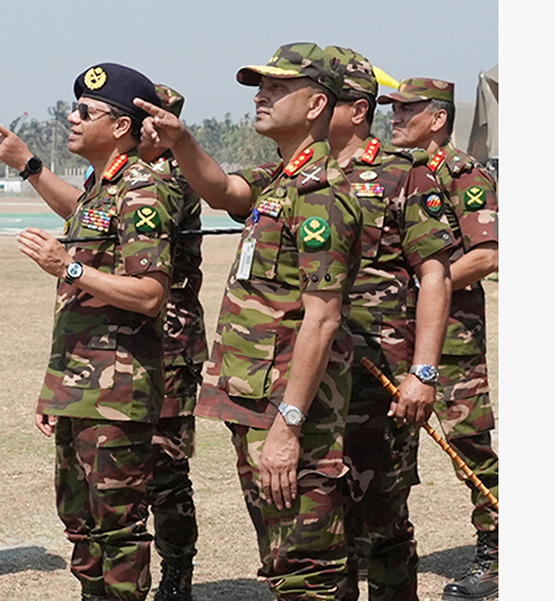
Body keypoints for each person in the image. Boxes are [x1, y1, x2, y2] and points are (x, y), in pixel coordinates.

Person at [136, 43, 363, 600]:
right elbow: (221, 191)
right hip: (254, 399)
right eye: (261, 86)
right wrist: (181, 140)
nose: (262, 96)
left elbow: (322, 318)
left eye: (277, 87)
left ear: (315, 105)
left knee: (308, 568)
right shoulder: (281, 177)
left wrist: (289, 425)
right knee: (282, 559)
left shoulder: (320, 195)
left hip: (290, 409)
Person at [0, 83, 205, 601]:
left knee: (151, 486)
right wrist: (56, 387)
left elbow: (147, 291)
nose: (73, 117)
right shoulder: (105, 184)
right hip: (89, 370)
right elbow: (83, 221)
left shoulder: (158, 184)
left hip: (146, 360)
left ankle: (176, 573)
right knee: (83, 514)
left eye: (86, 111)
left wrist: (67, 265)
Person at [324, 47, 455, 600]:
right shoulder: (297, 174)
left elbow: (435, 275)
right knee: (323, 525)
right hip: (311, 376)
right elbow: (225, 193)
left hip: (378, 376)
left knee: (381, 521)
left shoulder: (404, 173)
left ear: (355, 110)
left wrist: (423, 373)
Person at [378, 78, 499, 601]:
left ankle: (499, 549)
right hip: (398, 337)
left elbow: (487, 255)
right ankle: (385, 550)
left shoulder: (462, 172)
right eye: (393, 109)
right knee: (391, 446)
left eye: (408, 110)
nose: (395, 117)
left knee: (468, 445)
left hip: (451, 340)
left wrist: (421, 288)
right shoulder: (398, 172)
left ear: (438, 118)